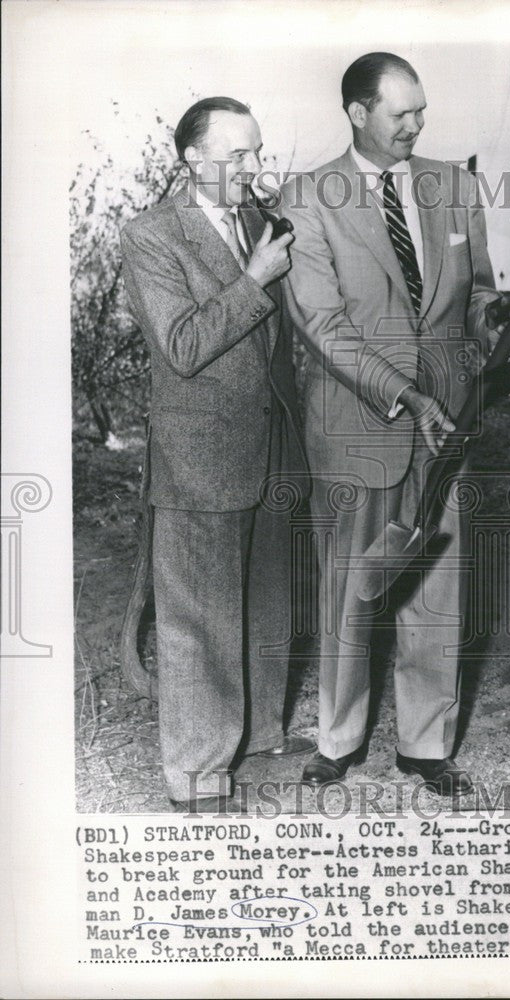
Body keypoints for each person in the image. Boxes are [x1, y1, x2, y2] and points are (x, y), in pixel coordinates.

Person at [281, 52, 510, 794]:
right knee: (353, 579)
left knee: (438, 580)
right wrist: (408, 396)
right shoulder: (309, 196)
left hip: (450, 417)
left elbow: (476, 290)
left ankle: (426, 745)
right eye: (401, 112)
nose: (418, 124)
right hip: (358, 412)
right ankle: (339, 737)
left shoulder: (455, 184)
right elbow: (322, 321)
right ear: (357, 112)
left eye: (422, 110)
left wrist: (494, 330)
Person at [121, 96, 314, 813]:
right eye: (238, 155)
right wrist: (256, 278)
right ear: (192, 160)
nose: (254, 168)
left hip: (270, 447)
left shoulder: (260, 223)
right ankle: (198, 774)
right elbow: (184, 346)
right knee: (196, 619)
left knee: (266, 600)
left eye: (257, 152)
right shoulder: (150, 235)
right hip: (199, 453)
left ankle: (259, 735)